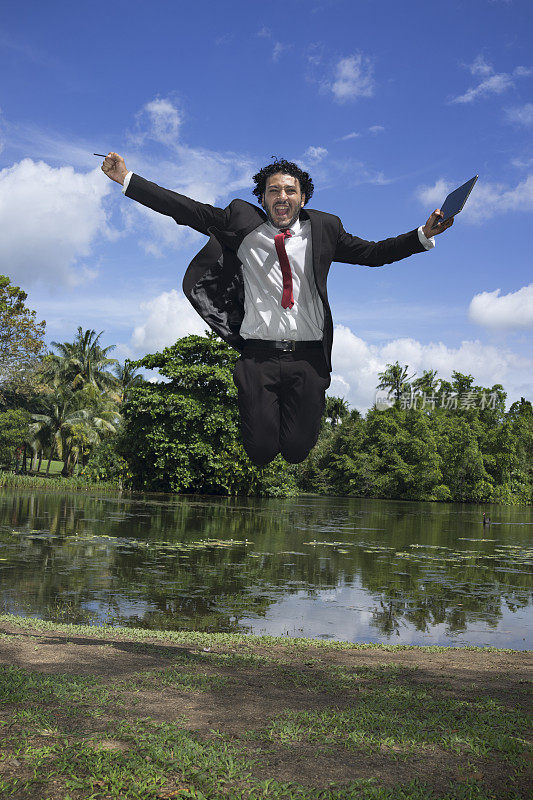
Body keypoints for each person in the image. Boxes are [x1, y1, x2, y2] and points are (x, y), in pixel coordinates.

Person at [101, 153, 453, 466]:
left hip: (308, 357)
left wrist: (421, 234)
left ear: (303, 197)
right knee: (260, 451)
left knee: (298, 450)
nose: (281, 196)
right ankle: (259, 421)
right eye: (273, 190)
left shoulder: (325, 229)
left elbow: (374, 254)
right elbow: (186, 208)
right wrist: (128, 179)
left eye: (289, 190)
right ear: (263, 198)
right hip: (258, 357)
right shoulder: (241, 223)